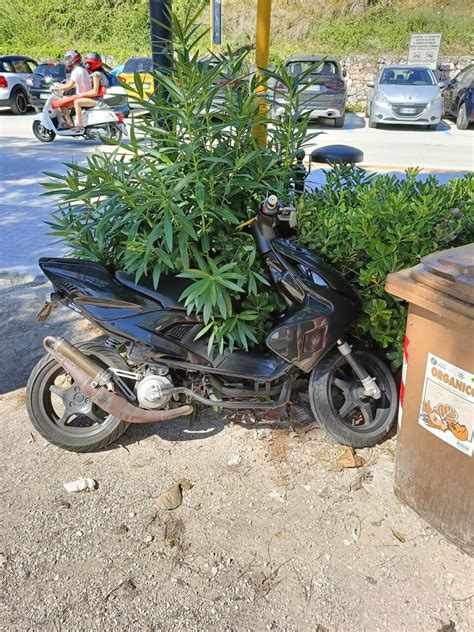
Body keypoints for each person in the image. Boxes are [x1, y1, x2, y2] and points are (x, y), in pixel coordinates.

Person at [72, 52, 109, 131]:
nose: (87, 65)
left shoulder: (96, 75)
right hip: (100, 98)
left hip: (97, 100)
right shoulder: (102, 73)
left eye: (89, 63)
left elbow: (94, 92)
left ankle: (79, 125)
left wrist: (81, 94)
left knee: (77, 102)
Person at [60, 50, 92, 129]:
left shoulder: (76, 71)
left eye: (68, 58)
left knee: (61, 104)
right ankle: (73, 119)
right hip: (86, 95)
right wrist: (63, 86)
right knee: (65, 99)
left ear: (72, 59)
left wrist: (57, 88)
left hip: (83, 97)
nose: (66, 61)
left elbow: (69, 86)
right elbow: (78, 84)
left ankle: (71, 123)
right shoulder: (82, 70)